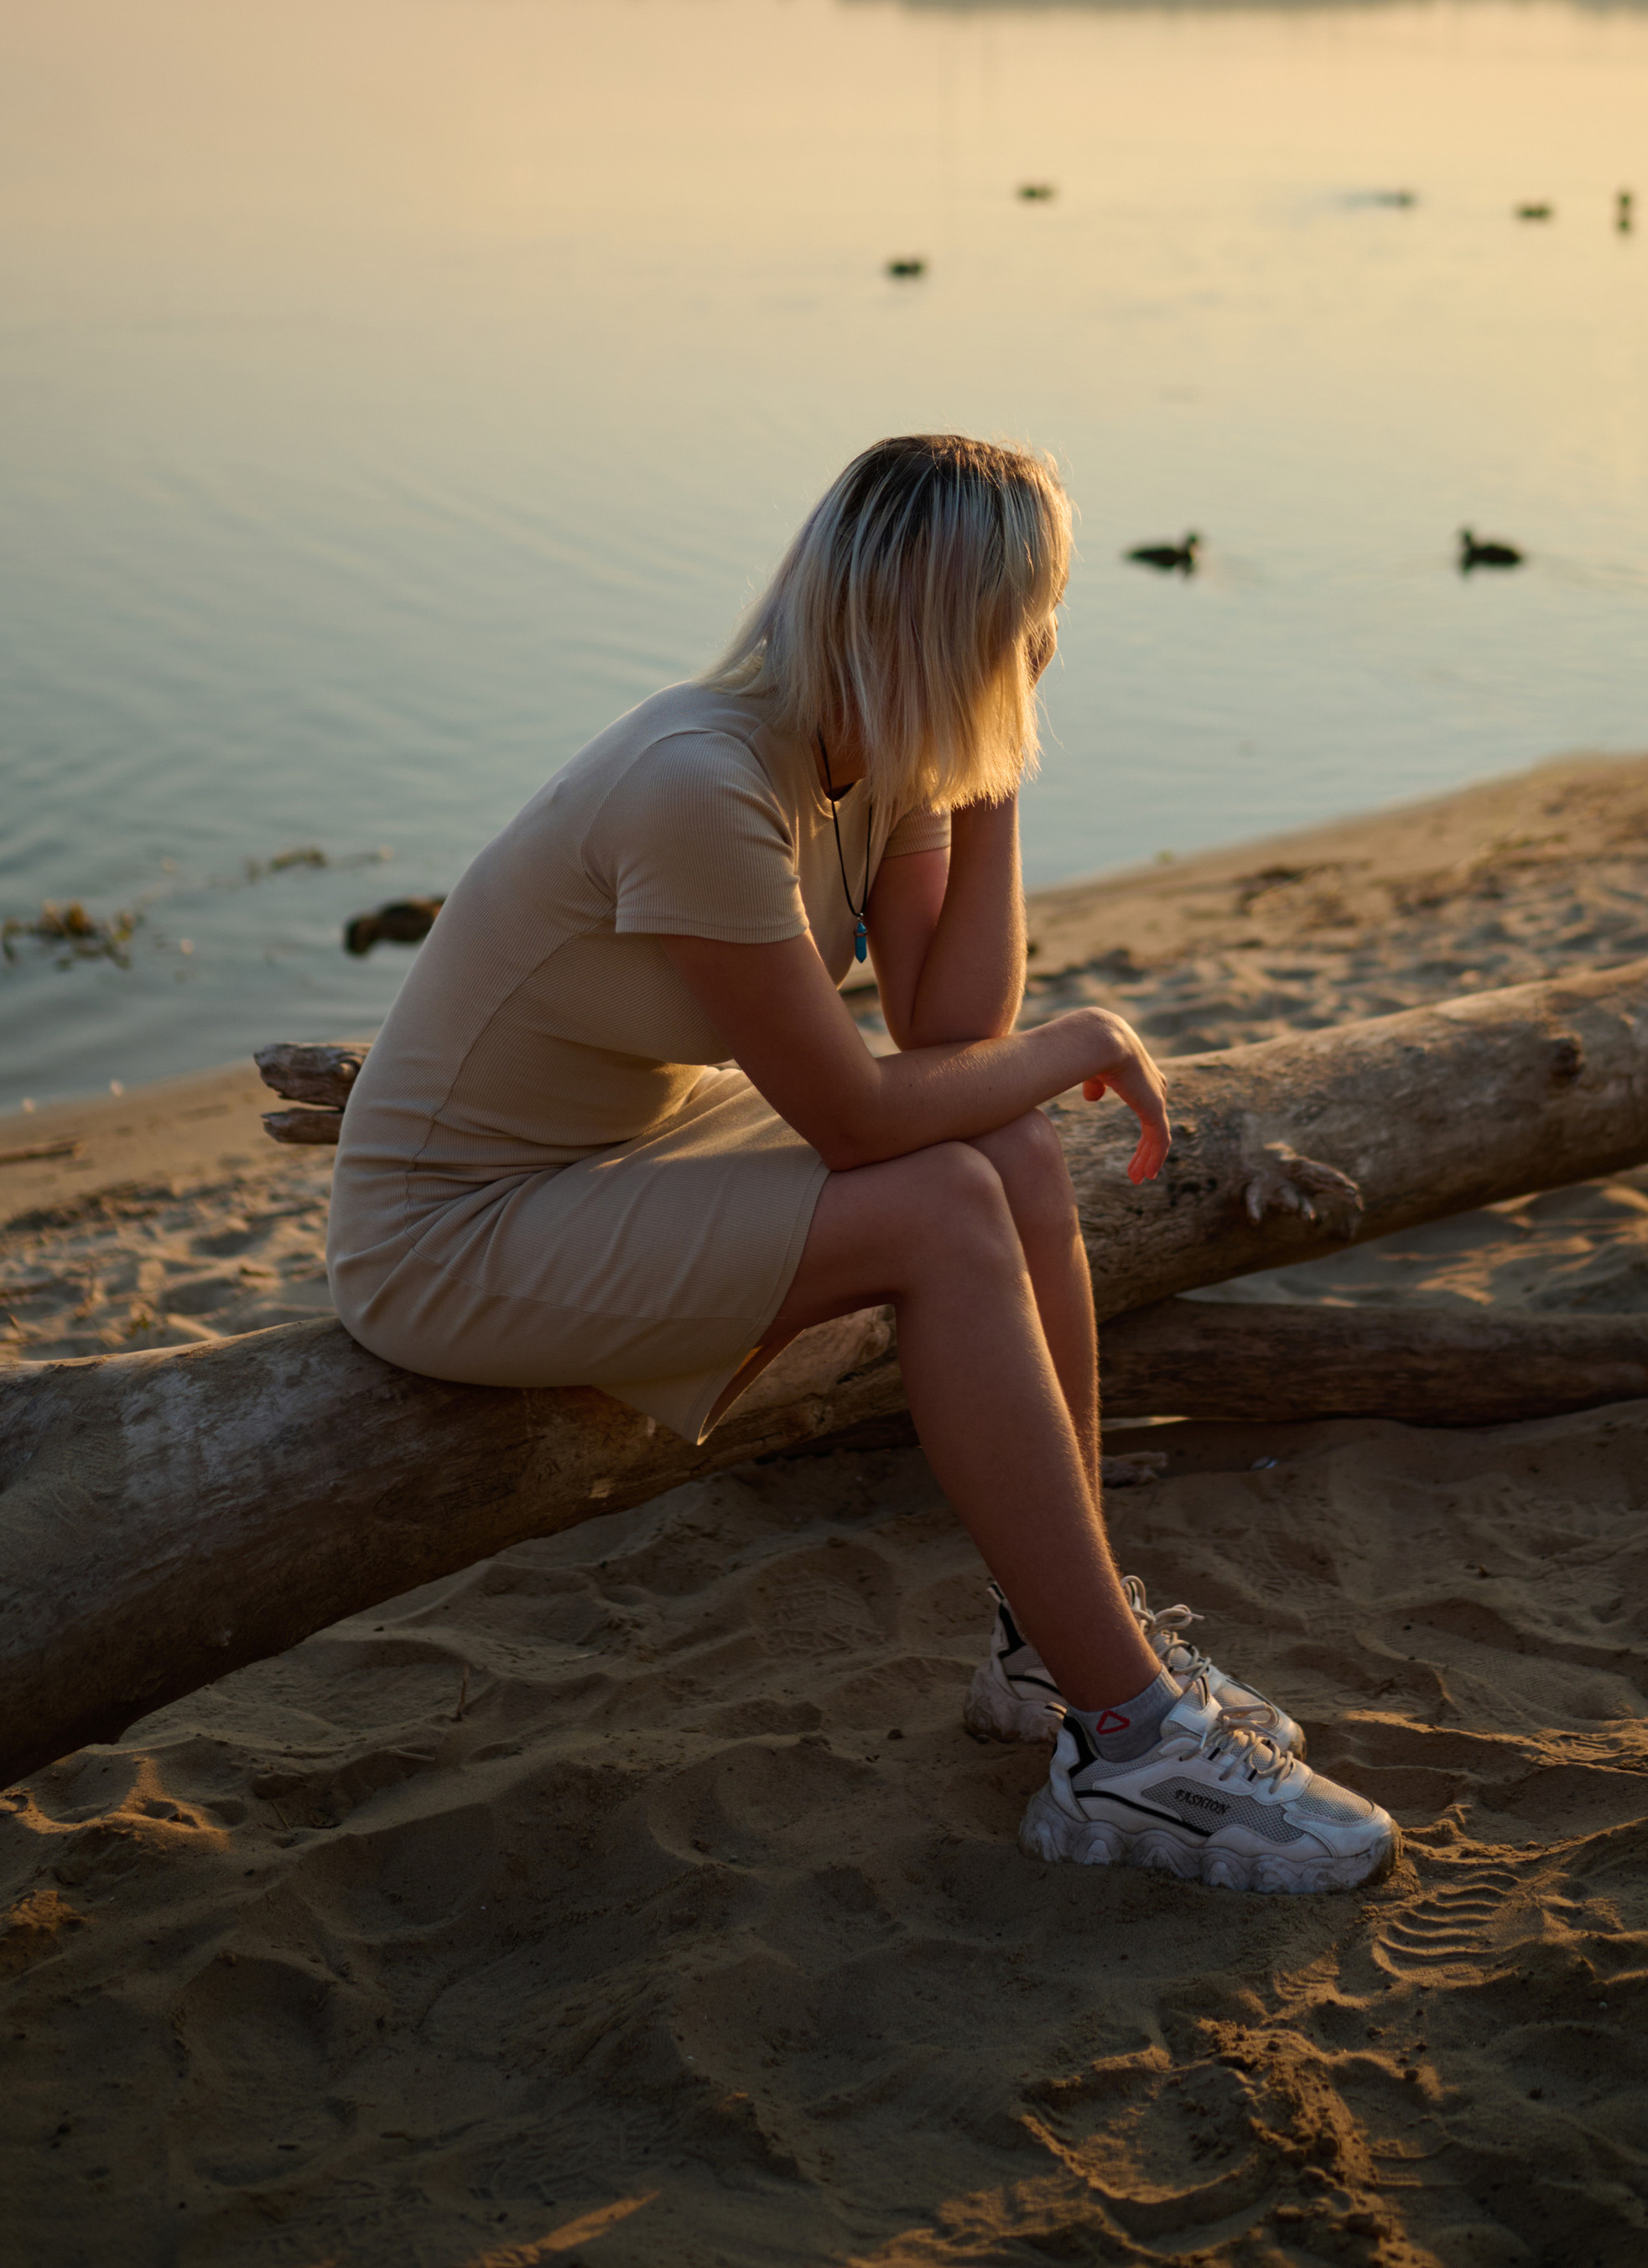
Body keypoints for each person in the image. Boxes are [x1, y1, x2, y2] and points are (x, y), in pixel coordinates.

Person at [329, 431, 1397, 1893]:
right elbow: (864, 1125)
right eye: (1032, 619)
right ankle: (1133, 1740)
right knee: (951, 1197)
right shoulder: (697, 780)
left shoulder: (879, 759)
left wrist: (993, 759)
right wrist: (1089, 1031)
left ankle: (1053, 1655)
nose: (1051, 642)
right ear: (967, 619)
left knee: (1007, 1150)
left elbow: (952, 1031)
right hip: (451, 1235)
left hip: (615, 1157)